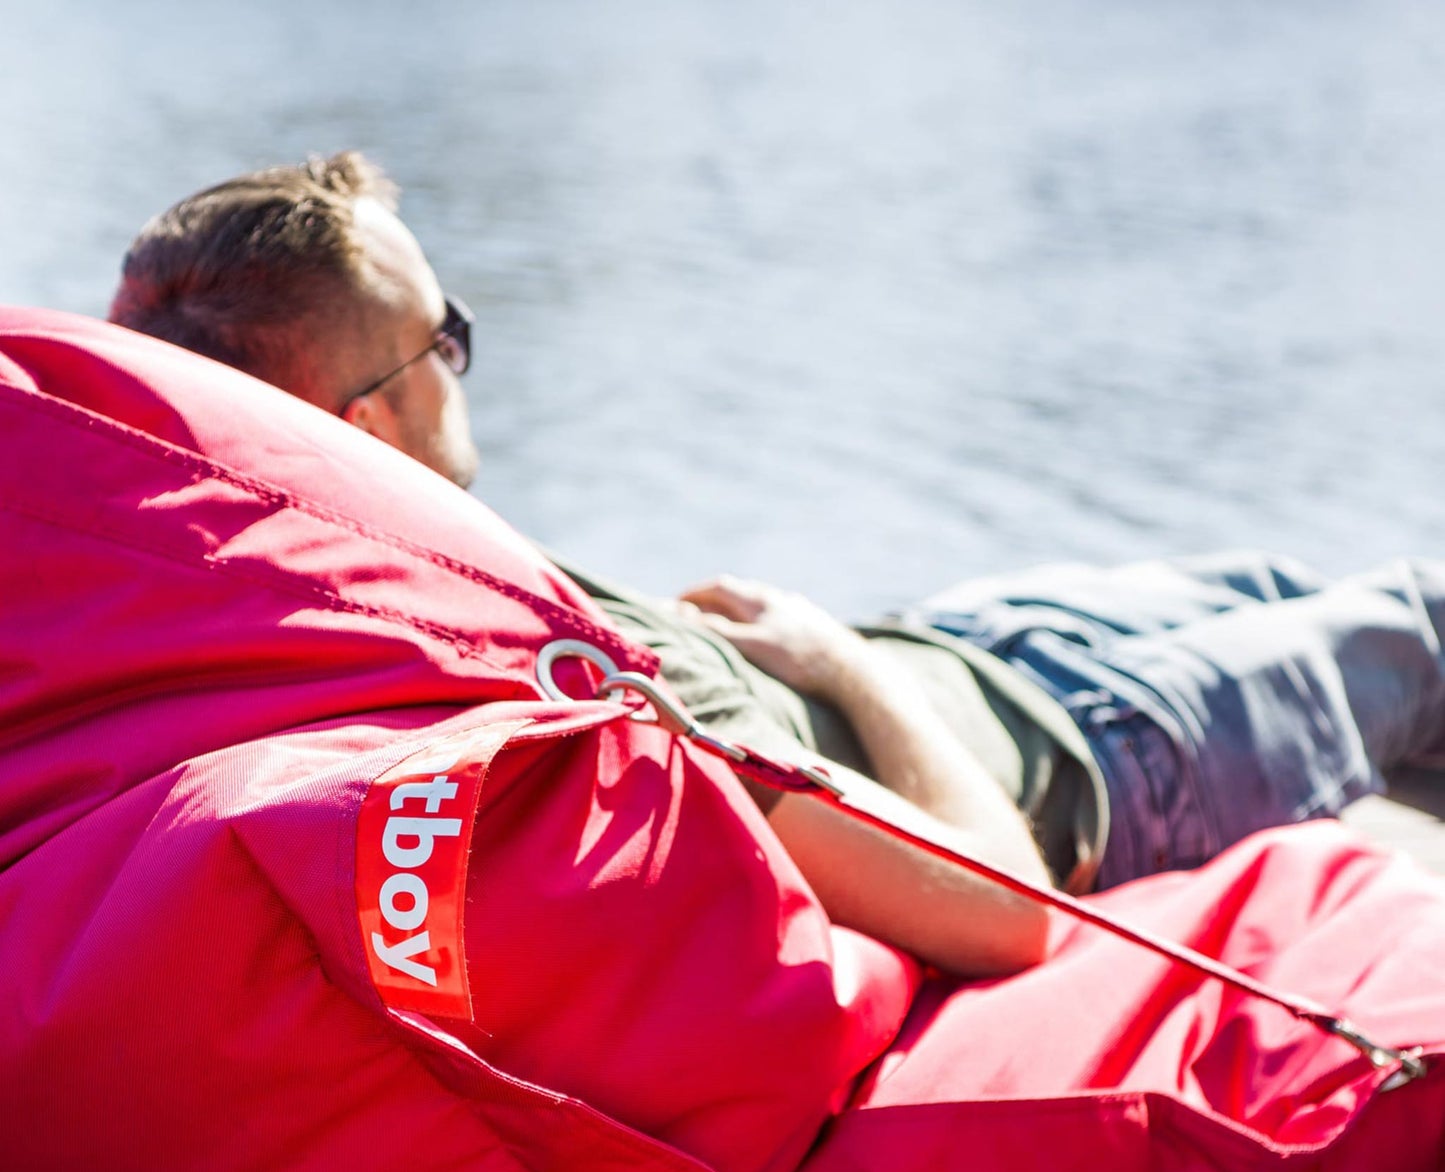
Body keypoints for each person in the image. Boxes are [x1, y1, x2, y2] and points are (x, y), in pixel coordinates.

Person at [109, 151, 1445, 923]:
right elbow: (1008, 904)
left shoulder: (326, 610)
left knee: (1279, 579)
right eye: (445, 333)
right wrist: (839, 663)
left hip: (973, 649)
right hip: (1094, 753)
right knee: (1424, 620)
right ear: (386, 407)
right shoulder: (565, 677)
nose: (464, 360)